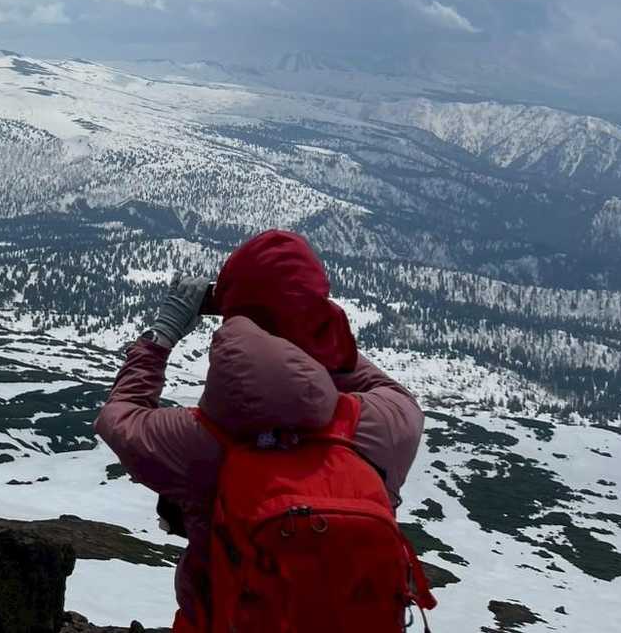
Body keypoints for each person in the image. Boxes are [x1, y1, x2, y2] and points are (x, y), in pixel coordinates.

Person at [94, 229, 428, 632]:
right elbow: (382, 386)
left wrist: (162, 335)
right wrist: (310, 318)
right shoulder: (383, 425)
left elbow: (119, 415)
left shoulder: (202, 442)